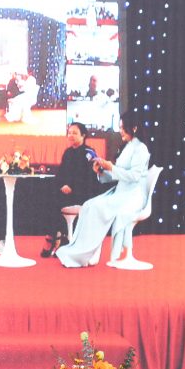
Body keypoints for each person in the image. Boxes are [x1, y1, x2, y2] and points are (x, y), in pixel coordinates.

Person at [56, 110, 150, 268]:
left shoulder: (141, 149)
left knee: (95, 208)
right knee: (88, 206)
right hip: (121, 192)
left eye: (123, 128)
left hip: (132, 195)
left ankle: (88, 252)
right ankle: (84, 252)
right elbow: (117, 175)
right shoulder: (127, 147)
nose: (120, 131)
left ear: (134, 128)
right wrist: (101, 171)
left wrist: (110, 167)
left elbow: (134, 176)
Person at [42, 122, 101, 257]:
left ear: (83, 135)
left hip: (83, 193)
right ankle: (58, 236)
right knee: (47, 197)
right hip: (66, 192)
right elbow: (60, 174)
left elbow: (89, 177)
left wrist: (72, 187)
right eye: (69, 133)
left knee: (54, 201)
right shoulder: (67, 152)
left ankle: (53, 237)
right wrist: (62, 185)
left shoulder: (89, 153)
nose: (71, 135)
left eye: (75, 133)